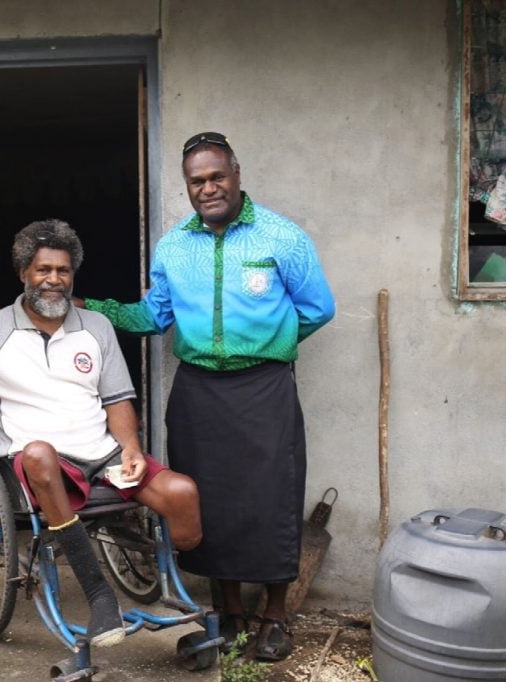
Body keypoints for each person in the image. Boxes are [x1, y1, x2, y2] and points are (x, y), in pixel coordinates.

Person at [79, 132, 335, 661]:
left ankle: (275, 616)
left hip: (263, 388)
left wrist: (269, 344)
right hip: (197, 391)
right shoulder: (174, 246)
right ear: (187, 187)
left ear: (237, 174)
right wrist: (95, 308)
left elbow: (318, 309)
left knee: (271, 498)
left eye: (217, 176)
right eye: (197, 181)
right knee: (207, 500)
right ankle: (230, 614)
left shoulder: (281, 238)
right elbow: (153, 316)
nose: (208, 188)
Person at [0, 219, 202, 648]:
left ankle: (168, 580)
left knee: (183, 494)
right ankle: (98, 594)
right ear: (23, 274)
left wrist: (130, 448)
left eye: (63, 271)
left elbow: (118, 400)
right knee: (38, 453)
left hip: (101, 456)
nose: (54, 280)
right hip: (31, 461)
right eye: (43, 270)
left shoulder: (96, 327)